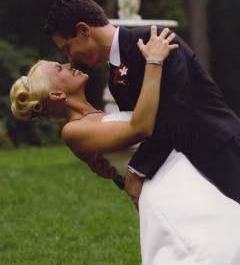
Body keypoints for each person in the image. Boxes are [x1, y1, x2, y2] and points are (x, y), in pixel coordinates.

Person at [10, 27, 240, 265]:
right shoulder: (73, 130)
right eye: (59, 68)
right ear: (57, 94)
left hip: (185, 179)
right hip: (166, 190)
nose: (68, 64)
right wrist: (153, 61)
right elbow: (141, 127)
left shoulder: (96, 115)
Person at [43, 0, 240, 205]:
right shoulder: (115, 81)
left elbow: (176, 111)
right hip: (183, 169)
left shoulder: (155, 40)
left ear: (84, 30)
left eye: (67, 47)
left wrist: (136, 170)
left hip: (219, 151)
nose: (70, 58)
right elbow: (141, 137)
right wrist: (116, 170)